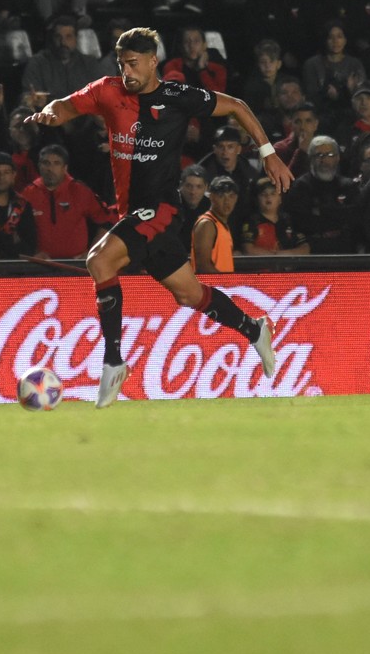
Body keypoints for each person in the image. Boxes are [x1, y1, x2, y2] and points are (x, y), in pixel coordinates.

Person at [25, 27, 291, 408]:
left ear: (153, 62)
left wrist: (268, 153)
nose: (127, 72)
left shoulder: (177, 97)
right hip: (133, 213)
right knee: (188, 293)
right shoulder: (107, 89)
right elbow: (67, 106)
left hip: (162, 208)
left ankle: (114, 362)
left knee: (99, 261)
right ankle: (255, 329)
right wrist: (53, 112)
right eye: (122, 64)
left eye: (134, 64)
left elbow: (236, 106)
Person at [241, 174, 309, 256]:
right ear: (257, 199)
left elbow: (305, 248)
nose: (268, 197)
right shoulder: (252, 222)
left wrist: (284, 255)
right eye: (263, 194)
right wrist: (273, 257)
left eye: (273, 194)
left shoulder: (288, 220)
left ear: (280, 199)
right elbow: (248, 249)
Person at [191, 174, 239, 274]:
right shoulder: (207, 224)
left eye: (231, 196)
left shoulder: (221, 224)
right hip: (212, 287)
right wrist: (223, 285)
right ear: (211, 197)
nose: (227, 201)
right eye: (221, 196)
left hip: (221, 286)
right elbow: (203, 266)